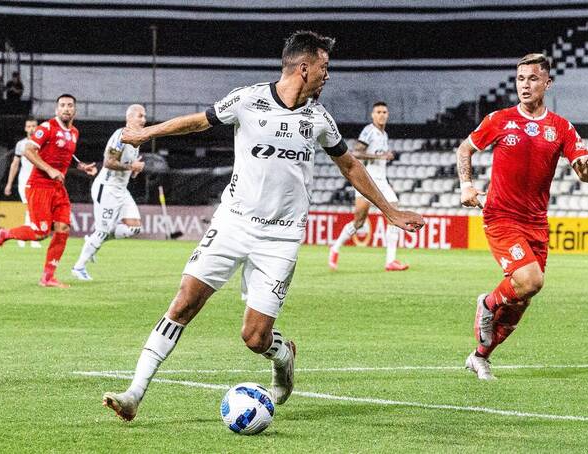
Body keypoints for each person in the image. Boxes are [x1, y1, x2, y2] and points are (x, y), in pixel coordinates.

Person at [101, 30, 425, 422]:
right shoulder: (247, 99)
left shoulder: (318, 119)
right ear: (303, 68)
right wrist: (148, 133)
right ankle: (135, 392)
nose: (328, 75)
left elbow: (350, 165)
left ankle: (283, 356)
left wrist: (388, 209)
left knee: (254, 337)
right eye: (324, 68)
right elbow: (199, 122)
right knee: (184, 302)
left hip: (281, 237)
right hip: (233, 224)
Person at [457, 54, 588, 380]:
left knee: (523, 298)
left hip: (536, 223)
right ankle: (487, 303)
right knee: (531, 280)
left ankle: (480, 355)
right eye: (520, 79)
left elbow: (582, 169)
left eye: (532, 78)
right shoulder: (500, 119)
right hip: (502, 217)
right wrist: (467, 186)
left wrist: (586, 171)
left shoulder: (561, 128)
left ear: (547, 83)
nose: (525, 85)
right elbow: (465, 149)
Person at [0, 94, 97, 288]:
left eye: (70, 105)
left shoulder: (74, 132)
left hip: (58, 188)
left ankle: (48, 277)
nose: (66, 108)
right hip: (39, 185)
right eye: (62, 105)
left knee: (63, 228)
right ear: (56, 110)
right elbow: (29, 150)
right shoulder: (46, 128)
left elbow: (65, 153)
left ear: (75, 110)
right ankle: (4, 234)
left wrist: (81, 166)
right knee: (40, 232)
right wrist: (49, 169)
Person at [328, 102, 409, 271]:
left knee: (394, 213)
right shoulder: (369, 131)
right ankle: (335, 248)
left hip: (382, 182)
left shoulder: (384, 134)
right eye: (378, 112)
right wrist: (380, 157)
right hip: (367, 181)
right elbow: (356, 153)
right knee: (359, 221)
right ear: (373, 115)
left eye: (384, 112)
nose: (382, 115)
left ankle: (390, 261)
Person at [71, 104, 146, 281]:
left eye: (144, 116)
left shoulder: (137, 140)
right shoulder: (121, 136)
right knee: (103, 230)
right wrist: (131, 166)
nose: (144, 120)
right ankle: (78, 267)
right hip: (107, 188)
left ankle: (93, 240)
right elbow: (108, 162)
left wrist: (133, 170)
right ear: (129, 118)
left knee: (134, 228)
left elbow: (127, 166)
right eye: (140, 116)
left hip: (121, 189)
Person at [4, 117, 42, 248]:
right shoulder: (21, 144)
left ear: (38, 128)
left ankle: (23, 236)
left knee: (34, 209)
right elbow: (15, 164)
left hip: (39, 182)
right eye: (29, 126)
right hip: (25, 181)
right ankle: (30, 238)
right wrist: (9, 183)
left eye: (34, 126)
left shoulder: (42, 143)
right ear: (26, 128)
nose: (32, 129)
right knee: (31, 209)